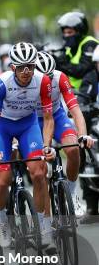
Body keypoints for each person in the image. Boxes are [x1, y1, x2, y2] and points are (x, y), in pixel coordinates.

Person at [0, 43, 56, 251]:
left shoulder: (43, 81)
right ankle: (2, 222)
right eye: (21, 67)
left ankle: (45, 228)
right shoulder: (1, 84)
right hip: (3, 128)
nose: (26, 72)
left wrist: (46, 146)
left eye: (30, 67)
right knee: (2, 180)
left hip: (28, 125)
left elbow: (48, 118)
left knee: (38, 172)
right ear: (12, 68)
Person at [35, 51, 94, 218]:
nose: (48, 80)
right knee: (41, 167)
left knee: (74, 149)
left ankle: (72, 194)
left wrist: (82, 134)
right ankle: (46, 219)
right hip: (35, 121)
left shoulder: (60, 77)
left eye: (50, 75)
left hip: (57, 116)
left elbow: (75, 109)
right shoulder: (28, 83)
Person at [55, 11, 99, 91]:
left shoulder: (90, 43)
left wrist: (61, 64)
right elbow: (59, 67)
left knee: (90, 72)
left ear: (79, 31)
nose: (66, 36)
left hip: (89, 94)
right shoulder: (69, 48)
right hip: (71, 92)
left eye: (70, 32)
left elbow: (82, 70)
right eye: (65, 33)